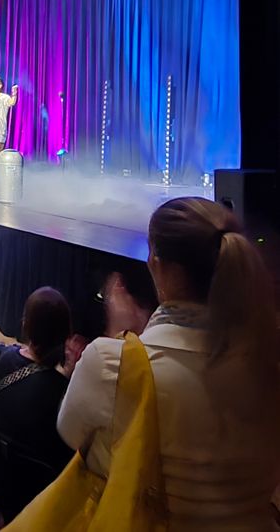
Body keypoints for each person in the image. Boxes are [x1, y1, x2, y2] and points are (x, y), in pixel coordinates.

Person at [58, 198, 280, 530]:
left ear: (156, 265)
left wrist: (121, 339)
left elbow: (71, 433)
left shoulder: (112, 362)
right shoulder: (267, 359)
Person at [0, 288, 74, 520]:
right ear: (66, 333)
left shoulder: (5, 358)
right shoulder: (62, 390)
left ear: (26, 324)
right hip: (42, 501)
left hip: (0, 484)